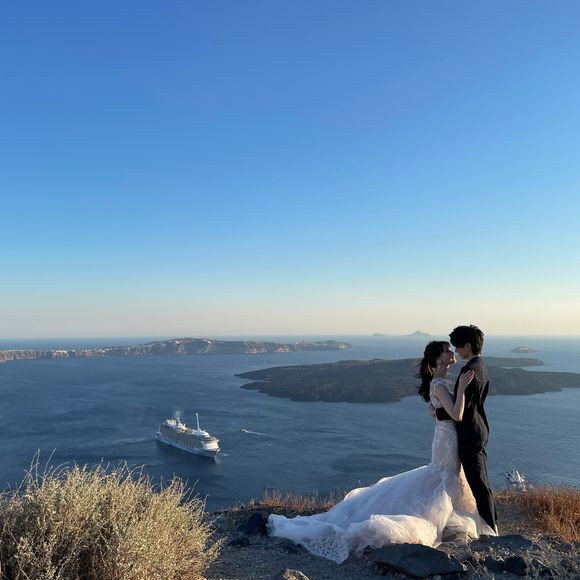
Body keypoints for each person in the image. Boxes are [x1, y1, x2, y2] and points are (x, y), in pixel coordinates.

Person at [267, 340, 496, 564]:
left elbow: (443, 411)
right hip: (447, 442)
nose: (452, 352)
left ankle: (447, 520)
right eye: (446, 350)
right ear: (437, 359)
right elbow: (457, 414)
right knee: (443, 476)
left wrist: (436, 412)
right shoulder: (439, 384)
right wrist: (461, 388)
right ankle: (435, 520)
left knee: (444, 477)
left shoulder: (439, 383)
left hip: (446, 438)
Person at [435, 325, 497, 533]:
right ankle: (491, 522)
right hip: (480, 428)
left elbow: (463, 409)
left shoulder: (468, 371)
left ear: (468, 346)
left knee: (478, 483)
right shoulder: (481, 365)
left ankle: (490, 528)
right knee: (481, 480)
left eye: (458, 347)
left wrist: (437, 413)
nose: (456, 351)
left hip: (470, 432)